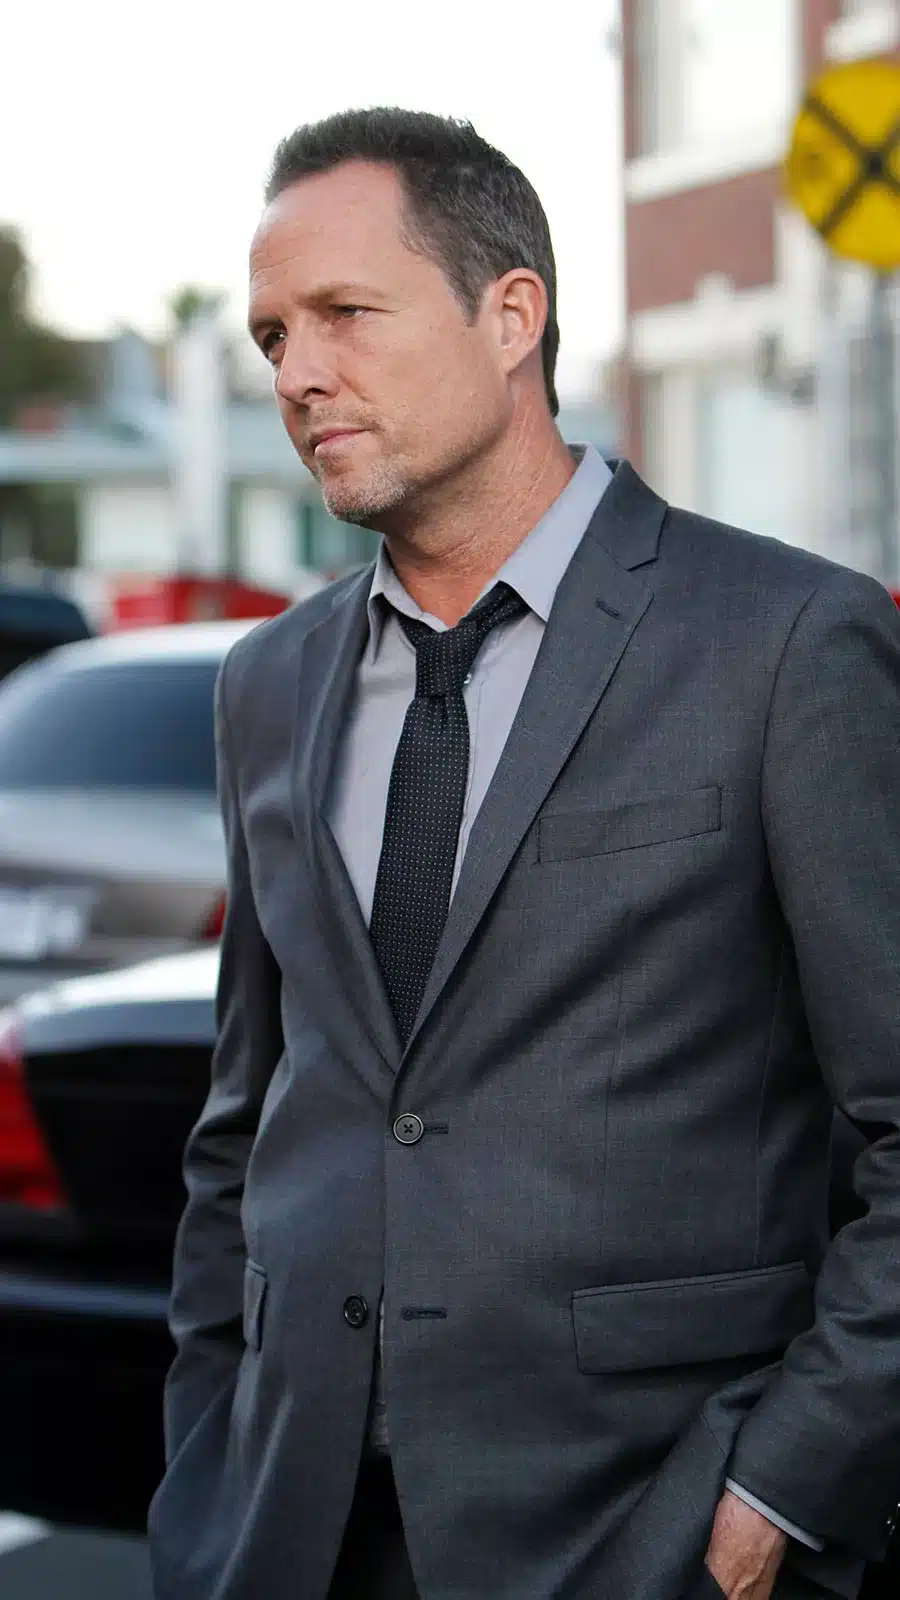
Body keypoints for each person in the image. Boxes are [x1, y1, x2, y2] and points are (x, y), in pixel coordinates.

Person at [148, 108, 900, 1600]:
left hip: (646, 1527)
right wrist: (207, 1464)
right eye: (274, 335)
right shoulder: (268, 684)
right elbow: (245, 1125)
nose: (296, 374)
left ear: (512, 318)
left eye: (347, 314)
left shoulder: (785, 644)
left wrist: (786, 1487)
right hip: (291, 1528)